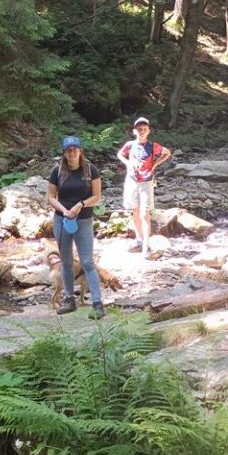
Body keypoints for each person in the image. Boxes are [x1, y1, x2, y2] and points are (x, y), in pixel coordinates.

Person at [47, 135, 105, 319]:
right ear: (64, 153)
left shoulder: (90, 169)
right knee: (66, 261)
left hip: (84, 220)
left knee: (87, 262)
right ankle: (69, 299)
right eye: (68, 150)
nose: (72, 152)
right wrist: (64, 210)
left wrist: (80, 204)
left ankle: (97, 303)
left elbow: (97, 196)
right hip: (62, 220)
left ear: (80, 150)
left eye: (75, 149)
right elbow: (50, 197)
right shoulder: (57, 172)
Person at [117, 117, 172, 258]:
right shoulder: (130, 145)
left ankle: (146, 246)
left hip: (146, 182)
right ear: (135, 131)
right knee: (135, 212)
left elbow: (167, 153)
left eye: (144, 129)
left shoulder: (153, 146)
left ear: (148, 131)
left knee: (144, 214)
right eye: (139, 129)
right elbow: (120, 154)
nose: (141, 131)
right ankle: (139, 240)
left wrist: (155, 165)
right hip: (132, 180)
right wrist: (128, 163)